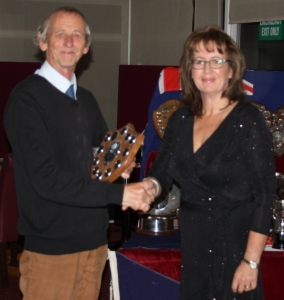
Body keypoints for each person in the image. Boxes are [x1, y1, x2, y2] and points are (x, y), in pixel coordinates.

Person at [4, 6, 155, 300]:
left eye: (77, 36)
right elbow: (47, 179)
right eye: (60, 34)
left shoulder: (86, 100)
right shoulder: (25, 101)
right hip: (52, 250)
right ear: (43, 42)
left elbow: (100, 157)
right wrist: (121, 195)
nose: (69, 42)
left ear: (86, 47)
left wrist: (121, 165)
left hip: (95, 244)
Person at [143, 25, 276, 299]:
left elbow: (264, 196)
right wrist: (147, 188)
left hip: (236, 244)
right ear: (189, 70)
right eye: (199, 61)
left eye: (216, 61)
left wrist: (251, 262)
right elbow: (162, 174)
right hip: (194, 243)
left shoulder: (248, 120)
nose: (207, 69)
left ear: (231, 69)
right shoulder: (180, 120)